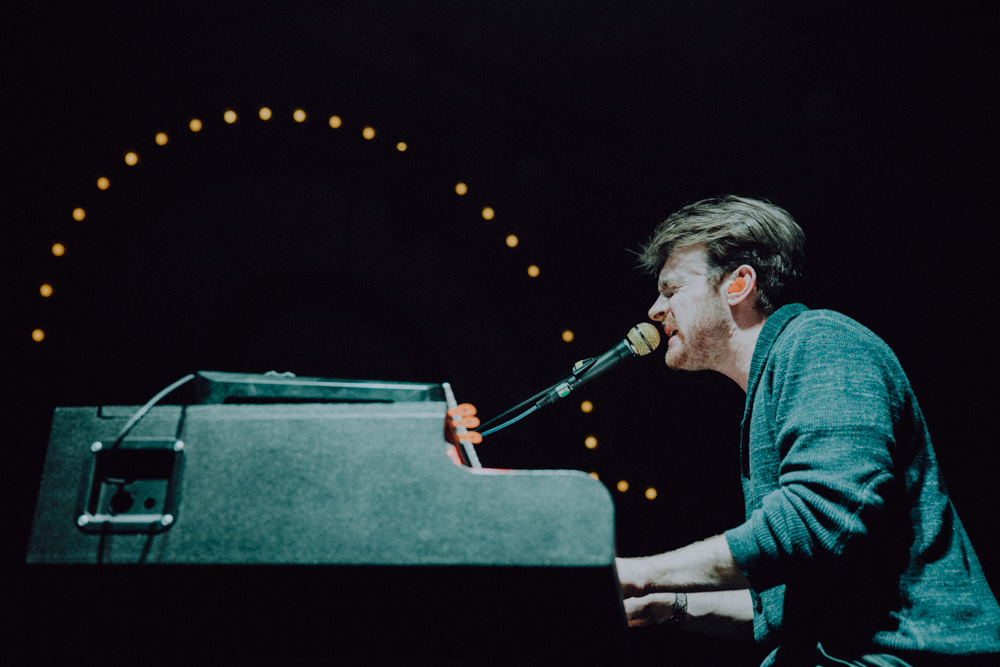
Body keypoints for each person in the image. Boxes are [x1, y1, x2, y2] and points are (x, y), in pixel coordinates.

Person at [616, 196, 1000, 666]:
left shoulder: (821, 342)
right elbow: (787, 606)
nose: (655, 310)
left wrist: (641, 573)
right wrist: (667, 606)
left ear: (739, 283)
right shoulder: (770, 383)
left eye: (672, 289)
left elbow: (822, 517)